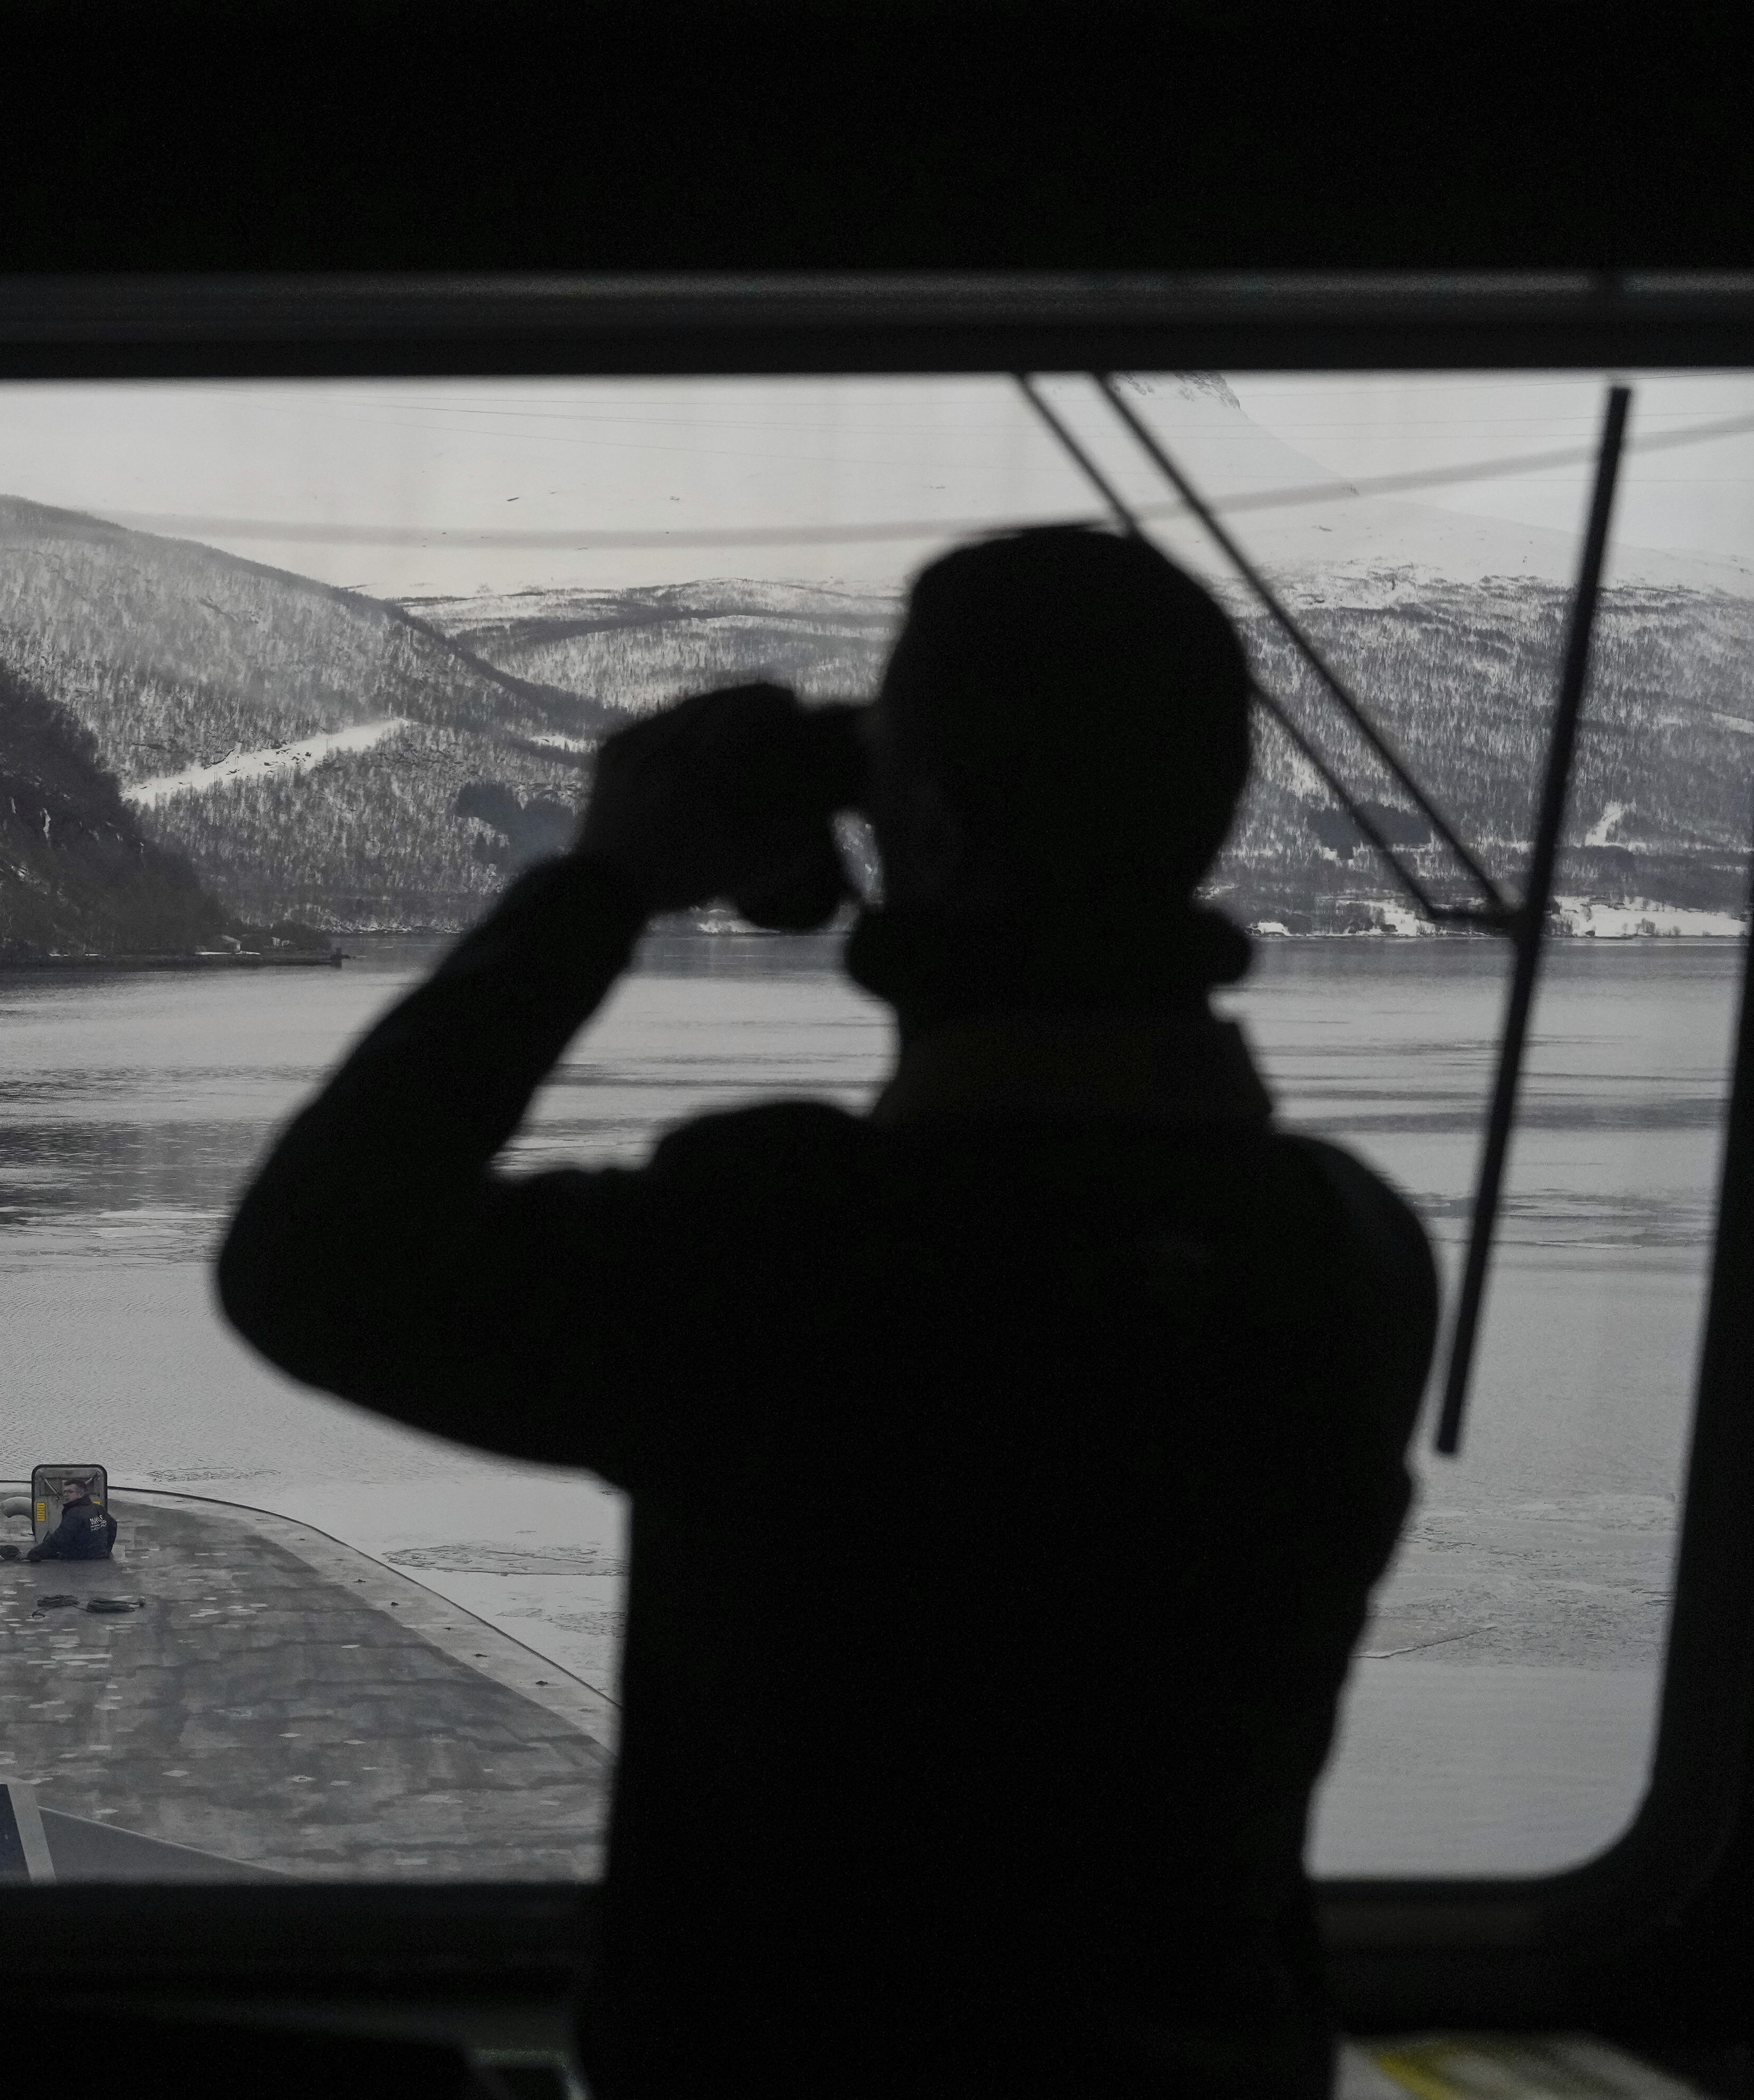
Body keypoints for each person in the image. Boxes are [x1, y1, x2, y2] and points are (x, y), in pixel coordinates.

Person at [216, 527, 1437, 2099]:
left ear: (912, 815)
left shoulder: (774, 1245)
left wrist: (603, 882)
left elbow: (309, 1257)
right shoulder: (1347, 1258)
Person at [25, 1479, 117, 1563]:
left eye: (70, 1492)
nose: (65, 1495)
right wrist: (107, 1549)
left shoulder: (74, 1514)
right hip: (100, 1555)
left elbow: (59, 1540)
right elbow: (113, 1526)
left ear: (81, 1494)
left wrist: (34, 1553)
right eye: (65, 1492)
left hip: (80, 1558)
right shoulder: (98, 1508)